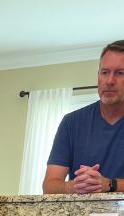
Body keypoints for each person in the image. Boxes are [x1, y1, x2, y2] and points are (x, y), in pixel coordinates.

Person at [43, 40, 124, 194]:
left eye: (120, 73)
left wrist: (110, 184)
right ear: (98, 75)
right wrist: (74, 186)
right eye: (104, 72)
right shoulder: (71, 123)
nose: (109, 81)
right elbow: (49, 186)